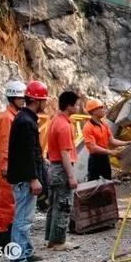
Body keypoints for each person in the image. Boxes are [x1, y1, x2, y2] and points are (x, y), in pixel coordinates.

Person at [7, 80, 49, 262]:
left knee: (25, 218)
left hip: (23, 177)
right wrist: (34, 179)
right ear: (37, 100)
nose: (46, 103)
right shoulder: (26, 121)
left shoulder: (24, 118)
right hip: (25, 179)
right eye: (44, 100)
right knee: (22, 220)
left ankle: (26, 252)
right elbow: (27, 154)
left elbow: (30, 151)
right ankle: (17, 259)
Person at [0, 80, 26, 252]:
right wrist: (6, 166)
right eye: (21, 98)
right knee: (5, 203)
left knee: (11, 202)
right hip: (6, 167)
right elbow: (5, 145)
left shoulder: (13, 117)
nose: (24, 101)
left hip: (11, 166)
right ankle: (1, 238)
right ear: (13, 98)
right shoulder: (7, 119)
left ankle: (6, 236)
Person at [45, 91, 80, 251]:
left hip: (53, 168)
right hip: (61, 169)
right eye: (77, 104)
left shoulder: (54, 121)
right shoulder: (64, 126)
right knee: (64, 205)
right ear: (69, 106)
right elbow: (65, 153)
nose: (79, 107)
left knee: (53, 205)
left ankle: (50, 239)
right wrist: (71, 176)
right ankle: (59, 241)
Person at [82, 99, 129, 181]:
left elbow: (112, 141)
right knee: (92, 185)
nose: (103, 110)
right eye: (100, 108)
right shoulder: (88, 127)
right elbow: (93, 147)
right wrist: (110, 152)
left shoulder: (104, 124)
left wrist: (127, 143)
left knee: (108, 182)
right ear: (93, 111)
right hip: (95, 160)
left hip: (104, 158)